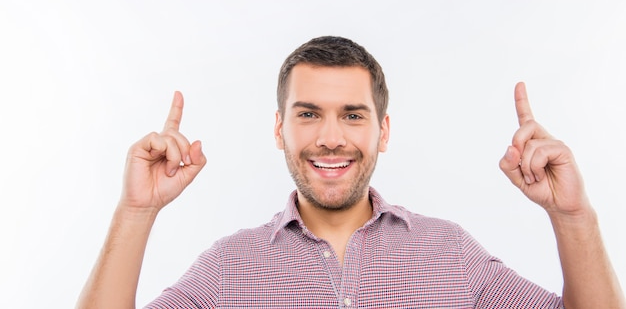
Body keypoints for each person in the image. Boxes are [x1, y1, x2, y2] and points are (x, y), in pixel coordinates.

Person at [77, 36, 624, 308]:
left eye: (353, 115)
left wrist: (572, 215)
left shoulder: (451, 255)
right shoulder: (228, 269)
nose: (331, 137)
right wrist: (137, 211)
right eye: (308, 114)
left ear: (382, 132)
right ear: (279, 130)